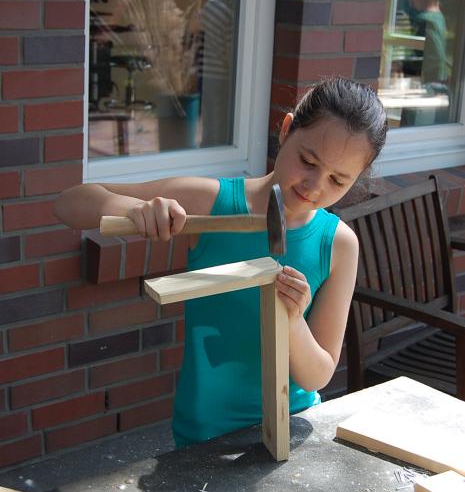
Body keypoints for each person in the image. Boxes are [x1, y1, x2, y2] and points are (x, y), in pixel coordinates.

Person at [54, 77, 388, 448]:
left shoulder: (338, 244)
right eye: (308, 161)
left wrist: (293, 322)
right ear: (286, 129)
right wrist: (135, 209)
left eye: (338, 180)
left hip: (293, 424)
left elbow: (318, 376)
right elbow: (69, 203)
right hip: (205, 432)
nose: (314, 186)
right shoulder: (210, 201)